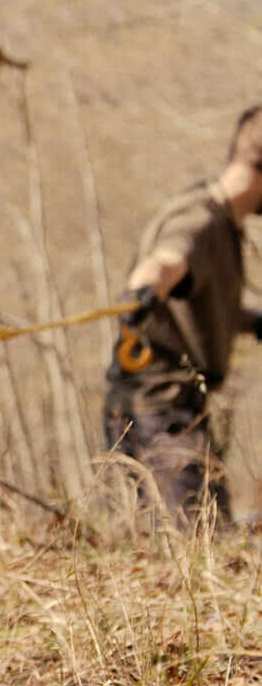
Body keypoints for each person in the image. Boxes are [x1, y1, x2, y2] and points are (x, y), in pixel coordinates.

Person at [103, 105, 262, 524]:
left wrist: (249, 321)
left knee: (197, 539)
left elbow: (195, 304)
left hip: (174, 408)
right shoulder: (201, 218)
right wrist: (145, 289)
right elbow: (168, 260)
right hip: (157, 411)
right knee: (193, 539)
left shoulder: (224, 224)